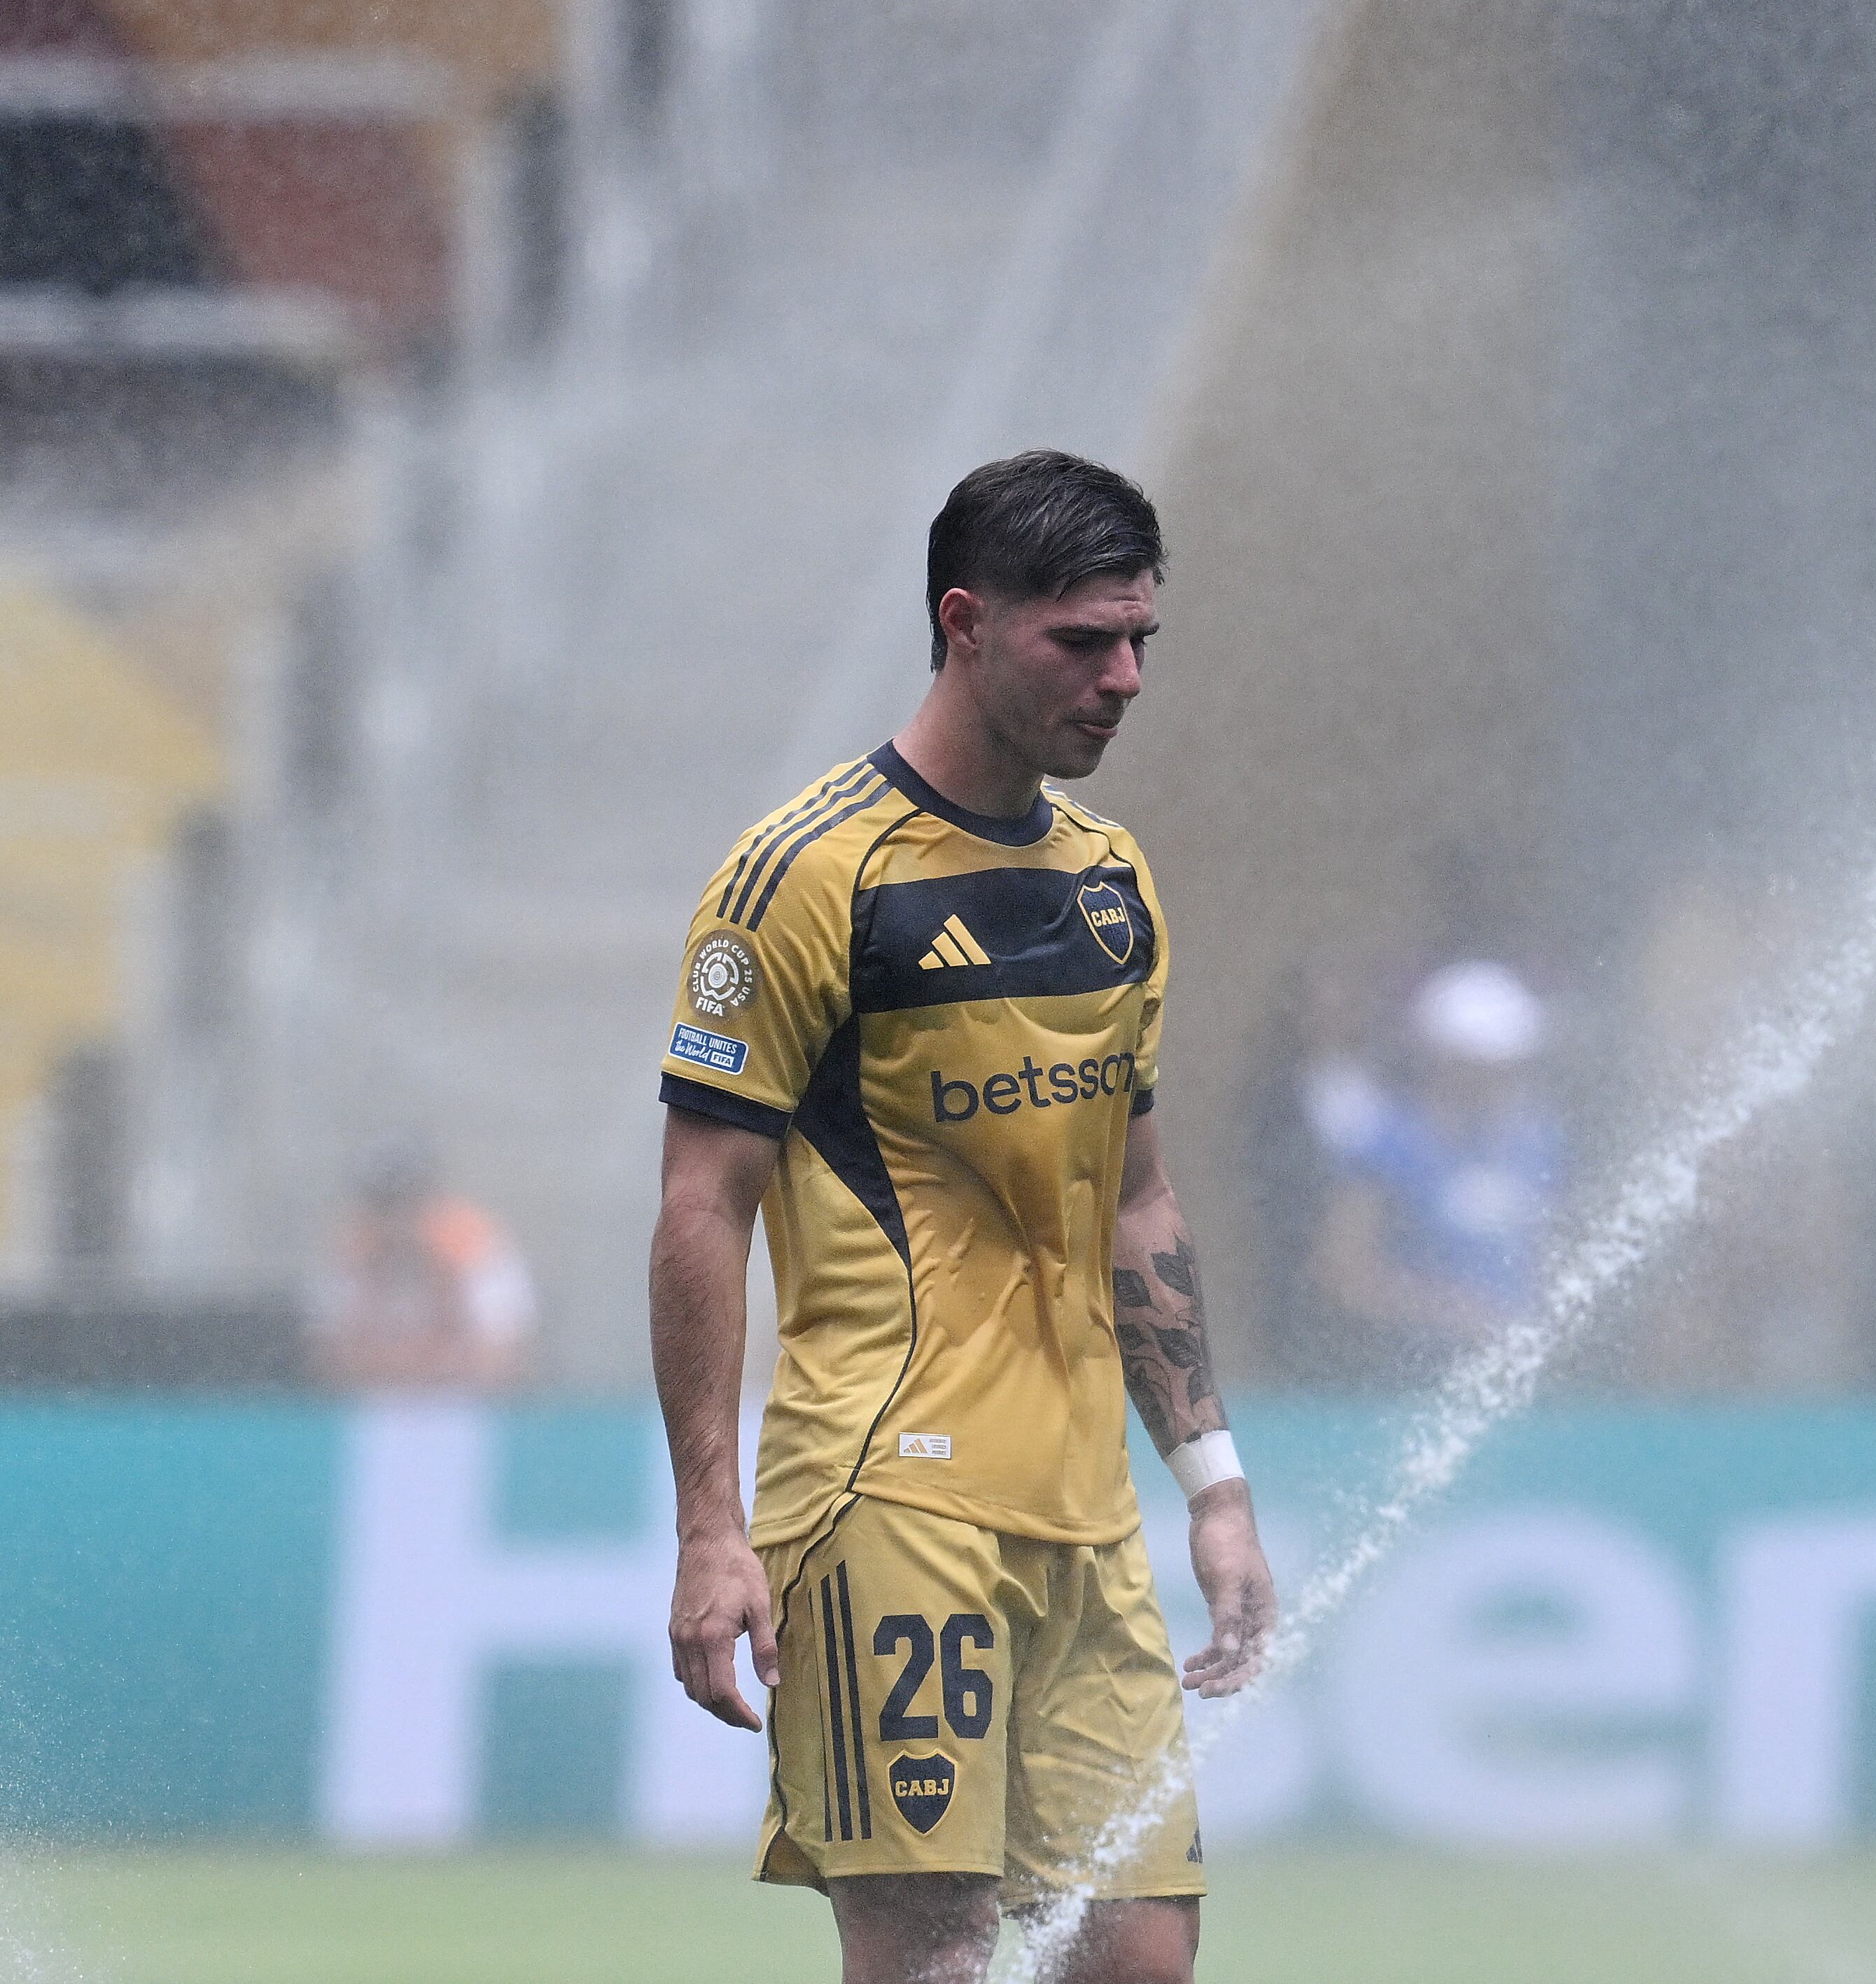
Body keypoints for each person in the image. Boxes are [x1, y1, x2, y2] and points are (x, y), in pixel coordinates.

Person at [649, 452, 1275, 1984]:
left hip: (1085, 1519)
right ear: (964, 623)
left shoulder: (1109, 882)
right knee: (935, 1955)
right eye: (1082, 643)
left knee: (1138, 1958)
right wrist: (710, 1528)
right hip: (887, 1496)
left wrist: (1211, 1480)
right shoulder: (804, 876)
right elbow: (699, 1206)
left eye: (1139, 642)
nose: (1122, 679)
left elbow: (1135, 1197)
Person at [1306, 959, 1564, 1383]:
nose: (1504, 1080)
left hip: (1523, 1376)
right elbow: (1344, 1273)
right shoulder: (1387, 1145)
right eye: (1487, 1065)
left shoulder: (1538, 1142)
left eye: (1511, 1064)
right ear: (1445, 1062)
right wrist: (1463, 1316)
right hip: (1406, 1378)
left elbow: (1551, 1251)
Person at [312, 1150, 535, 1390]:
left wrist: (427, 1363)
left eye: (410, 1201)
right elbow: (327, 1357)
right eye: (386, 1205)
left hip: (463, 1402)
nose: (399, 1218)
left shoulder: (474, 1246)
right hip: (369, 1403)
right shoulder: (353, 1247)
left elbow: (504, 1358)